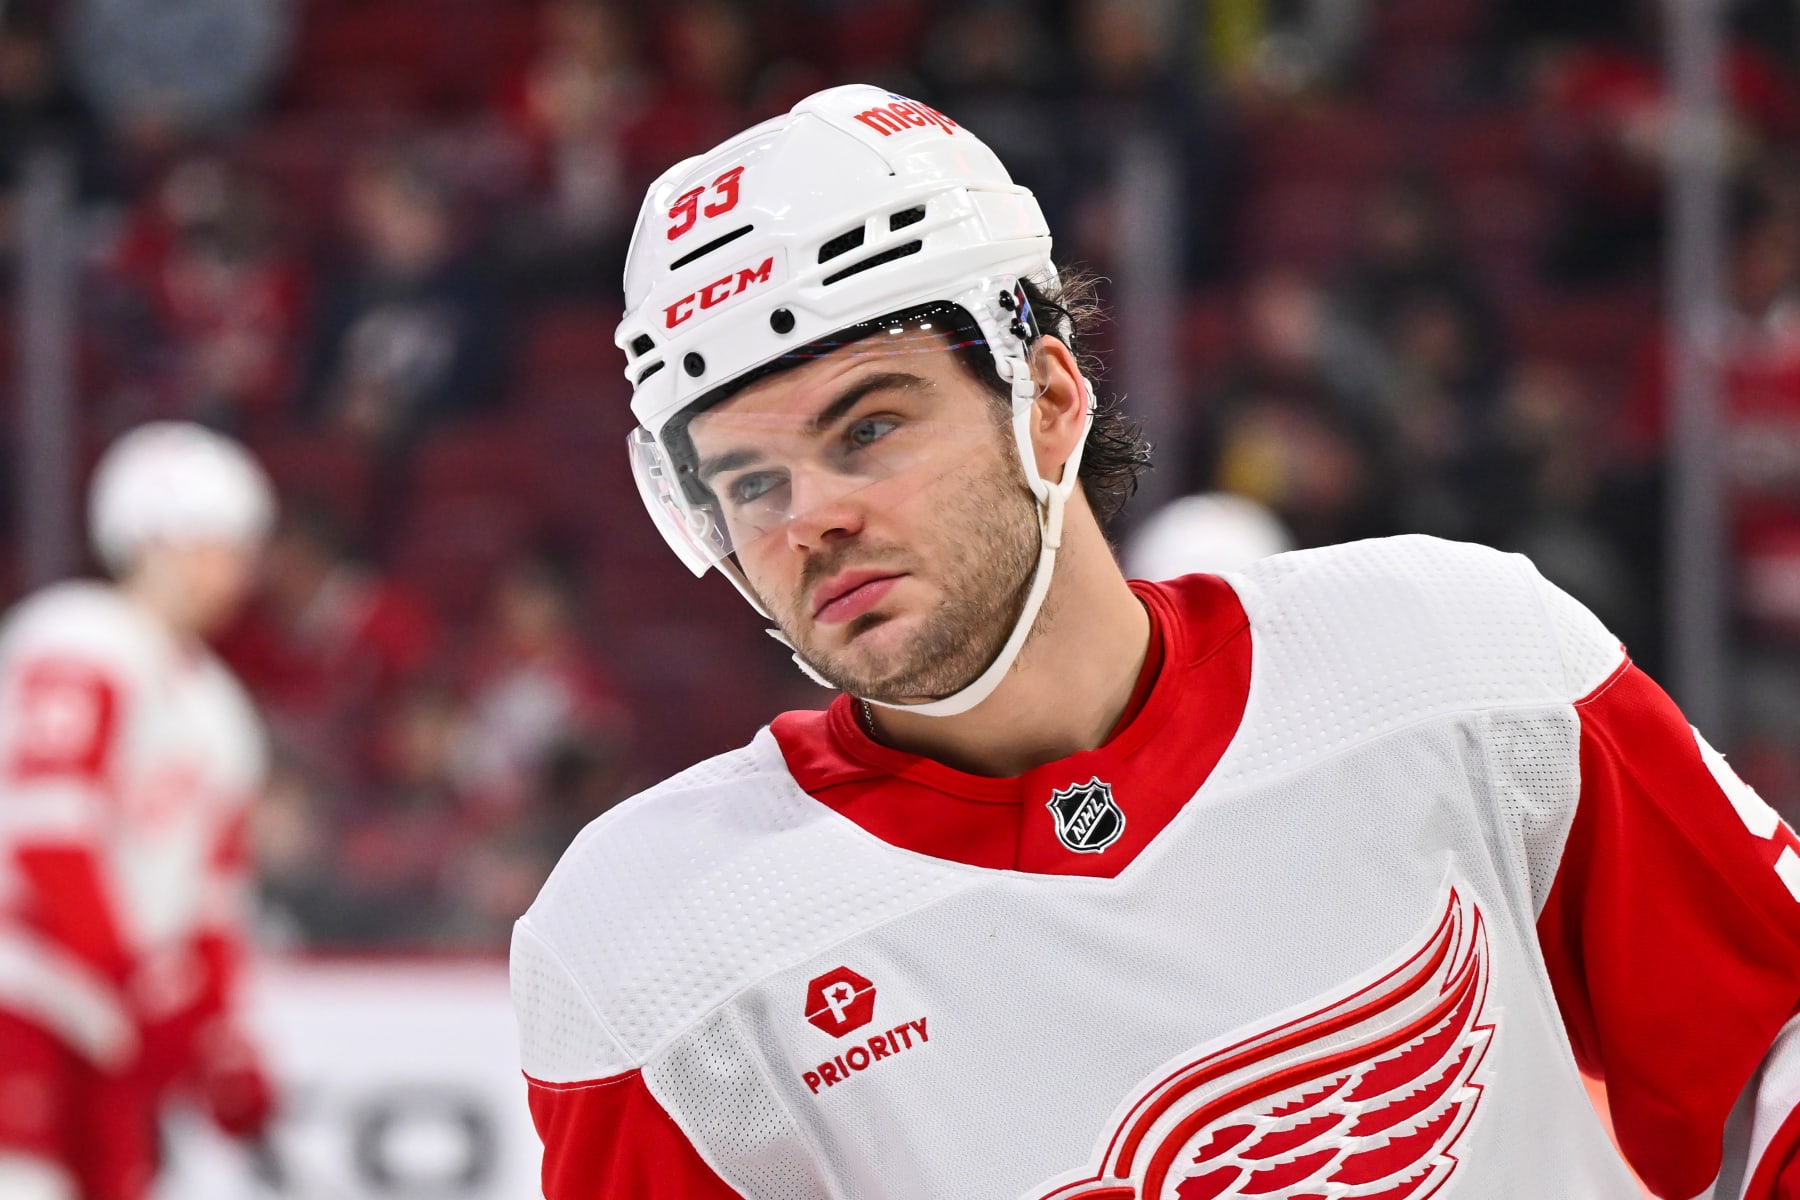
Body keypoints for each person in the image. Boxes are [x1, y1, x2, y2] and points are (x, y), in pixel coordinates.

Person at [511, 84, 1800, 1199]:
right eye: (748, 483)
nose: (809, 521)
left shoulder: (1457, 669)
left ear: (1051, 398)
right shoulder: (661, 956)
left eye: (867, 429)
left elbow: (1775, 1038)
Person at [0, 423, 277, 1199]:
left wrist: (219, 1042)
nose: (238, 571)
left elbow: (211, 903)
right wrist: (142, 985)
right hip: (26, 999)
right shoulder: (77, 640)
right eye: (220, 544)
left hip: (110, 1028)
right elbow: (48, 836)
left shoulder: (219, 707)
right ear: (157, 539)